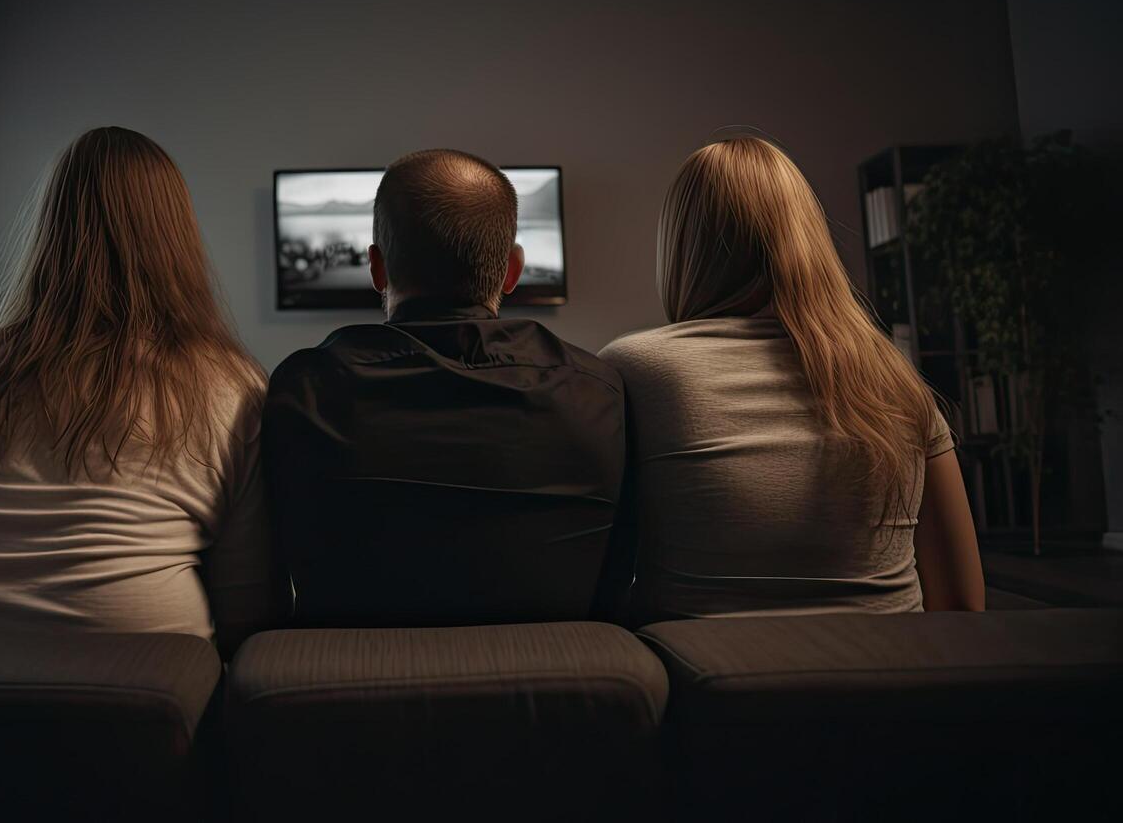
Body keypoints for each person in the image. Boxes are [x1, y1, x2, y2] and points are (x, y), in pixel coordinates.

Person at [0, 127, 271, 651]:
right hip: (138, 667)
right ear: (176, 236)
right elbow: (248, 602)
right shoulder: (232, 383)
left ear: (51, 231)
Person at [599, 135, 985, 621]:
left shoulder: (633, 368)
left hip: (718, 682)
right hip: (893, 681)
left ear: (682, 249)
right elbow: (963, 603)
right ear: (806, 236)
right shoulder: (892, 372)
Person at [264, 149, 632, 626]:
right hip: (562, 683)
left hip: (351, 686)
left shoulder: (303, 391)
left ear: (377, 269)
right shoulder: (598, 392)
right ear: (512, 270)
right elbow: (618, 577)